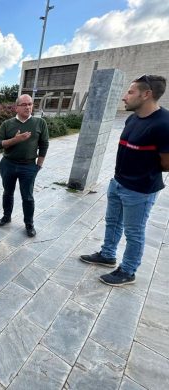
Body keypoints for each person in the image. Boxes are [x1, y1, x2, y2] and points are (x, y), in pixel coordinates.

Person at [80, 75, 169, 286]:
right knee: (112, 222)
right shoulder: (133, 118)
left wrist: (142, 171)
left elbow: (166, 164)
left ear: (146, 94)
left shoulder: (163, 124)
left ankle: (128, 271)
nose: (124, 97)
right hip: (118, 183)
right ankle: (107, 255)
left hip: (140, 190)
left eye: (130, 92)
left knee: (134, 232)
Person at [0, 94, 49, 237]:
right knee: (7, 192)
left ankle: (29, 224)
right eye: (24, 104)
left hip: (29, 166)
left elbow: (44, 144)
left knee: (28, 197)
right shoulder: (7, 124)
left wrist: (39, 165)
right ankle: (6, 217)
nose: (28, 107)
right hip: (8, 164)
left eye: (30, 104)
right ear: (16, 107)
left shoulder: (39, 123)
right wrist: (15, 140)